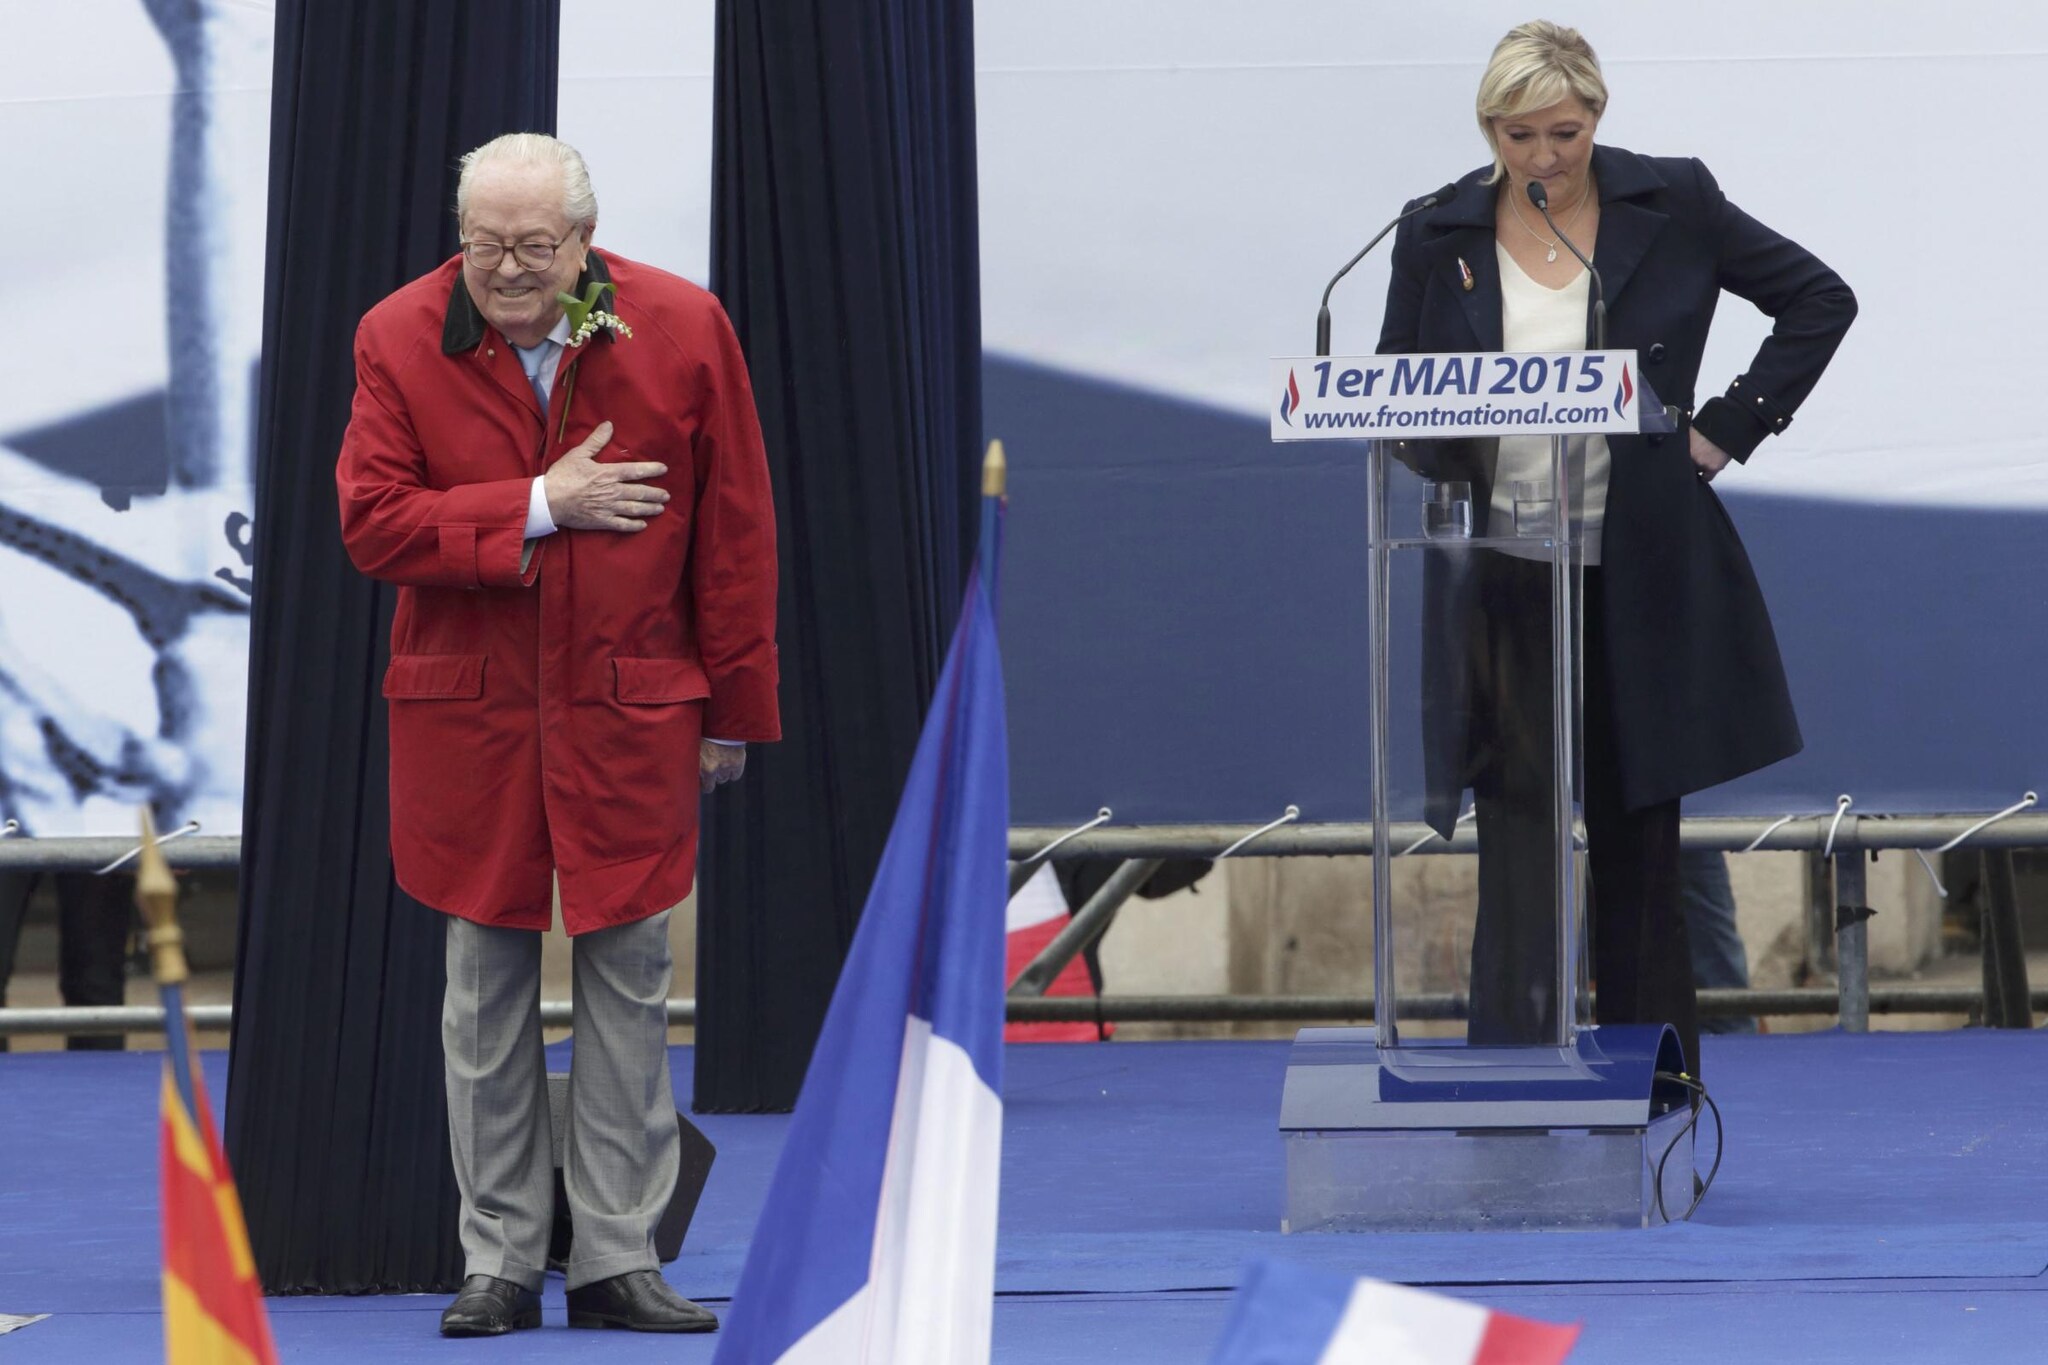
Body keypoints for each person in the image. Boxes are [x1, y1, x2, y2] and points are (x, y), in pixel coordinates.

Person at [336, 133, 779, 1337]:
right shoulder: (395, 334)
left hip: (631, 707)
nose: (509, 272)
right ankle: (498, 1260)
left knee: (628, 983)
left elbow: (732, 532)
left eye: (535, 247)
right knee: (482, 993)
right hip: (468, 719)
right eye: (486, 246)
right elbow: (373, 526)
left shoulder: (683, 328)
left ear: (585, 238)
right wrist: (543, 506)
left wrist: (734, 708)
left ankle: (618, 1261)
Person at [1379, 21, 1854, 1077]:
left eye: (1564, 131)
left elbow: (1818, 298)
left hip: (1634, 566)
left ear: (1597, 115)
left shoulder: (1669, 201)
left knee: (1639, 840)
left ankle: (1655, 1081)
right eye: (1517, 136)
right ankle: (1506, 1082)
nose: (1542, 157)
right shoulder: (1435, 230)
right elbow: (1396, 384)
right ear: (1485, 127)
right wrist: (1442, 439)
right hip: (1504, 568)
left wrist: (1724, 428)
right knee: (1515, 838)